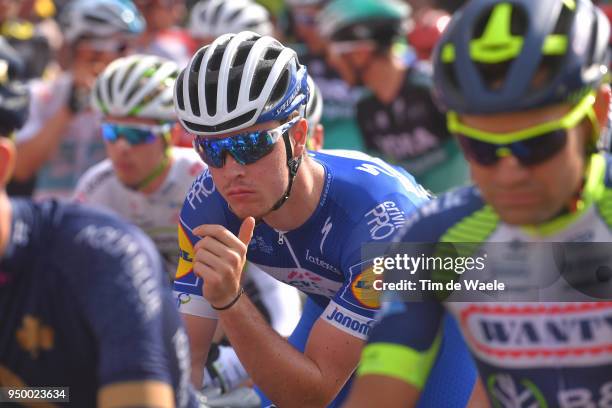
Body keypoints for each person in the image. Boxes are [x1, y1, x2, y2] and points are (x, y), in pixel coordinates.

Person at [172, 31, 478, 407]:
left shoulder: (382, 220)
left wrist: (231, 302)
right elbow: (185, 365)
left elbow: (311, 395)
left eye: (250, 145)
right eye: (212, 149)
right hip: (335, 300)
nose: (231, 170)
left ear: (298, 136)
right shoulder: (206, 202)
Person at [344, 0, 612, 407]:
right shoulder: (431, 238)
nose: (509, 174)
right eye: (481, 148)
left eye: (538, 143)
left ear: (597, 112)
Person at [0, 37, 200, 408]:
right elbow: (58, 395)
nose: (121, 147)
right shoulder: (97, 185)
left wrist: (236, 364)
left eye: (137, 135)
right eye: (111, 132)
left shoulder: (108, 248)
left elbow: (264, 286)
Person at [319, 0, 469, 194]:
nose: (332, 62)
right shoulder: (364, 108)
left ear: (360, 53)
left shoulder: (433, 89)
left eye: (336, 53)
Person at [8, 0, 144, 198]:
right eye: (122, 47)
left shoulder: (135, 101)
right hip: (50, 219)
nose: (131, 55)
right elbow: (19, 168)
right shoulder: (39, 95)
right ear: (88, 50)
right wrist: (68, 109)